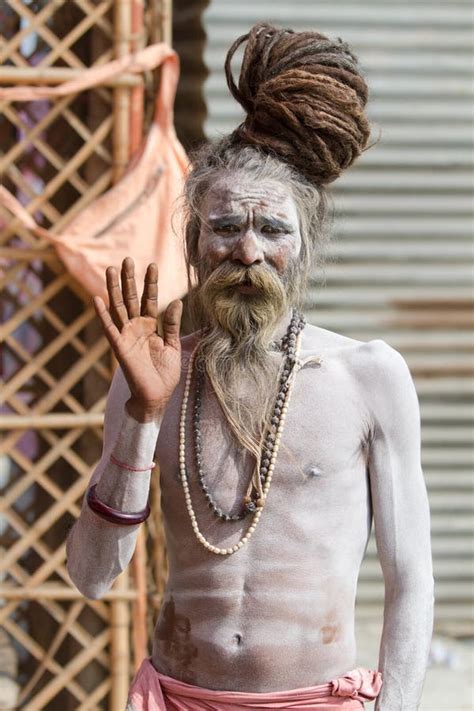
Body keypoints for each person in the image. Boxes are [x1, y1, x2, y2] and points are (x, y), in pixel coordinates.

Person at [66, 23, 434, 711]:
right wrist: (143, 416)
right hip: (174, 695)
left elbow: (410, 579)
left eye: (273, 229)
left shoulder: (369, 375)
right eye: (227, 226)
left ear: (308, 241)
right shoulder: (152, 375)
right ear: (194, 241)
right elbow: (91, 575)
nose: (248, 251)